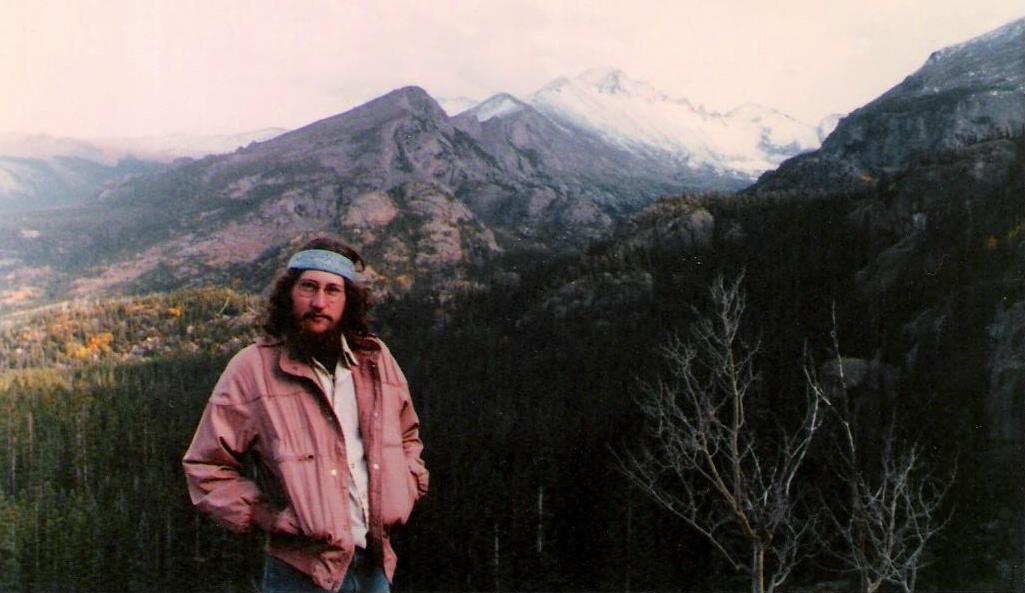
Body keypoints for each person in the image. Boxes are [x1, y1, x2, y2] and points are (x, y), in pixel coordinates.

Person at [182, 236, 428, 593]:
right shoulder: (252, 369)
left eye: (333, 291)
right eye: (308, 287)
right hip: (298, 574)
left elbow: (407, 435)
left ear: (348, 302)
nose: (319, 302)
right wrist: (263, 515)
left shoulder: (376, 361)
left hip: (374, 564)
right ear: (288, 295)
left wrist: (408, 485)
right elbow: (205, 466)